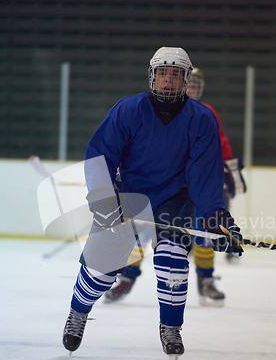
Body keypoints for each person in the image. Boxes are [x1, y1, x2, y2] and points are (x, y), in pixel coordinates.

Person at [62, 47, 243, 360]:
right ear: (152, 76)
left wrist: (215, 216)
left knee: (172, 261)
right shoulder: (128, 109)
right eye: (163, 73)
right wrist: (104, 198)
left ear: (185, 79)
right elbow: (100, 155)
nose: (168, 80)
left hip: (175, 200)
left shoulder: (202, 118)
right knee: (100, 271)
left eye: (175, 75)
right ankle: (78, 311)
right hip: (127, 196)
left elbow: (204, 173)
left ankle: (171, 328)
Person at [104, 67, 246, 307]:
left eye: (194, 85)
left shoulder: (205, 113)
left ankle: (206, 280)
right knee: (142, 233)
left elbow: (220, 142)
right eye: (188, 84)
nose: (191, 89)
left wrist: (230, 169)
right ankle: (127, 277)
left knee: (203, 232)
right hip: (164, 186)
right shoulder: (155, 110)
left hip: (195, 187)